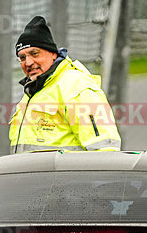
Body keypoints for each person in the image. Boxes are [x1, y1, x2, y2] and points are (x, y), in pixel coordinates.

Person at [9, 16, 121, 153]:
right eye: (22, 58)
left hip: (68, 175)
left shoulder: (76, 86)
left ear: (53, 54)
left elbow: (105, 151)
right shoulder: (32, 92)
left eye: (34, 53)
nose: (28, 62)